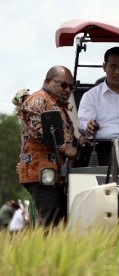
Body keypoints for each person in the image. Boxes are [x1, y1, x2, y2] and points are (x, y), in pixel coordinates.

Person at [18, 65, 78, 229]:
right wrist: (65, 148)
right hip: (41, 172)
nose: (68, 90)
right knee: (50, 219)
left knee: (58, 219)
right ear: (47, 81)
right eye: (63, 85)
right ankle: (44, 253)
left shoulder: (58, 105)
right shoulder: (39, 99)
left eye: (71, 87)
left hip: (53, 173)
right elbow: (40, 131)